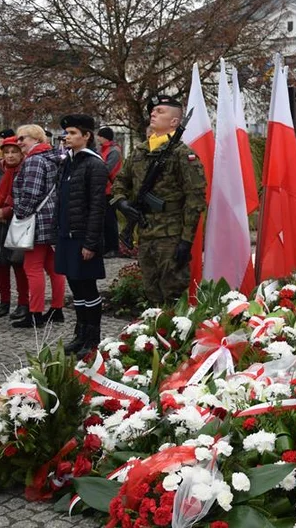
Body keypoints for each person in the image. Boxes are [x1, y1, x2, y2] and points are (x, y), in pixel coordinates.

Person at [111, 94, 206, 306]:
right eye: (153, 111)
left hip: (171, 236)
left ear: (174, 122)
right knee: (151, 293)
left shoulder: (183, 155)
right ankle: (152, 334)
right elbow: (120, 182)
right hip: (146, 232)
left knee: (173, 297)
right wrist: (122, 203)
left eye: (160, 111)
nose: (153, 114)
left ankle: (173, 337)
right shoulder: (140, 152)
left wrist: (186, 240)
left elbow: (195, 199)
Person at [55, 114, 108, 355]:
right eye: (66, 132)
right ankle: (80, 334)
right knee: (75, 286)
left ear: (86, 136)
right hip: (67, 234)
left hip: (83, 236)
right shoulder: (68, 162)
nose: (67, 136)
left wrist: (90, 242)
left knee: (88, 288)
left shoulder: (94, 164)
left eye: (73, 132)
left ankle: (92, 338)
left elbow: (98, 207)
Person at [11, 124, 65, 328]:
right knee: (53, 266)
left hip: (37, 221)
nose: (19, 143)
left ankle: (35, 314)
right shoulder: (53, 158)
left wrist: (20, 214)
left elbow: (31, 194)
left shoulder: (34, 160)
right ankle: (57, 309)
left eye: (22, 138)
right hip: (51, 218)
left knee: (32, 268)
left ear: (35, 139)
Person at [0, 136, 29, 321]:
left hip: (16, 222)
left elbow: (26, 196)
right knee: (0, 263)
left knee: (18, 263)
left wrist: (7, 211)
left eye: (14, 152)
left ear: (21, 153)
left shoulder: (25, 169)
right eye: (7, 152)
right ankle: (4, 301)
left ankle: (23, 303)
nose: (10, 156)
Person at [96, 127, 122, 257]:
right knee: (104, 220)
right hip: (103, 189)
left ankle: (113, 248)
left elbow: (107, 169)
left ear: (104, 137)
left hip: (110, 190)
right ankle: (107, 247)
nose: (97, 138)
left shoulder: (113, 151)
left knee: (110, 220)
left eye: (99, 136)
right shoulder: (103, 150)